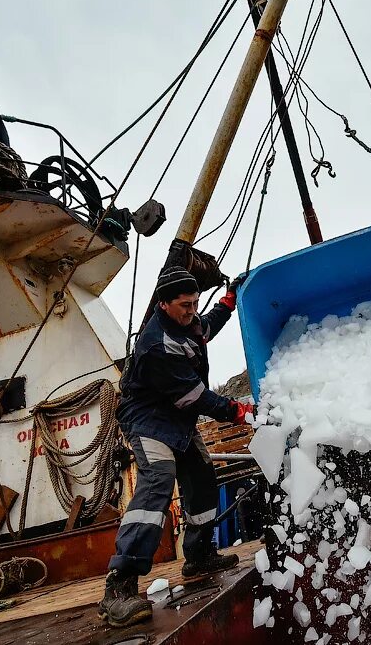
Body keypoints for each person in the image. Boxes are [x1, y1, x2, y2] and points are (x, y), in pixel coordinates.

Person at [99, 266, 254, 627]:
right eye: (185, 305)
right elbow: (197, 397)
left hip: (177, 417)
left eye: (195, 303)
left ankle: (199, 555)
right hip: (148, 419)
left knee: (202, 477)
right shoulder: (155, 345)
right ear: (164, 304)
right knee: (158, 482)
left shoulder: (187, 323)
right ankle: (119, 585)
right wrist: (240, 411)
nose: (191, 310)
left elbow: (207, 327)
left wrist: (229, 301)